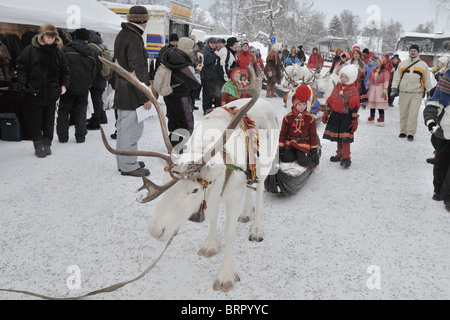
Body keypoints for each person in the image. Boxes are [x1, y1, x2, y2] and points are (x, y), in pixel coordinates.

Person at [16, 24, 70, 158]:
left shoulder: (58, 52)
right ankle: (38, 145)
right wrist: (22, 83)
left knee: (49, 121)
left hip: (52, 92)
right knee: (36, 122)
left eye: (52, 37)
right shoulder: (30, 50)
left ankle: (47, 144)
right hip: (35, 91)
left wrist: (64, 85)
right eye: (48, 37)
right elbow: (21, 67)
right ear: (42, 36)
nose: (50, 39)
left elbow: (65, 70)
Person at [113, 5, 152, 177]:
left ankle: (126, 160)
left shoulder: (124, 34)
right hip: (131, 93)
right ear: (143, 21)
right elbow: (138, 71)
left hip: (123, 91)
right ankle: (128, 165)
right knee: (131, 130)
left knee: (123, 129)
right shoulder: (134, 38)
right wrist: (145, 96)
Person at [161, 37, 202, 151]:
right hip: (181, 96)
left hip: (170, 94)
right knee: (186, 124)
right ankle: (175, 148)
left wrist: (196, 55)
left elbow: (185, 60)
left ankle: (174, 144)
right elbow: (196, 82)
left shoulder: (172, 56)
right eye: (192, 49)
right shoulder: (182, 65)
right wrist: (198, 70)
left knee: (174, 121)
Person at [57, 28, 96, 144]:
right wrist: (89, 82)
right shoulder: (91, 52)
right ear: (86, 39)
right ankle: (80, 137)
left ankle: (63, 137)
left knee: (64, 110)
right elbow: (94, 70)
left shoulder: (65, 49)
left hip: (67, 86)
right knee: (81, 111)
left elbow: (59, 67)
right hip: (83, 87)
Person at [391, 44, 433, 141]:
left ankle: (410, 133)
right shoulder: (402, 64)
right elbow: (396, 77)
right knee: (403, 113)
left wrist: (429, 91)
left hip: (417, 93)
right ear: (409, 52)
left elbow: (427, 80)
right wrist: (393, 88)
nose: (413, 52)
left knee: (413, 114)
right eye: (411, 51)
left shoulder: (423, 65)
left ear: (418, 52)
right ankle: (403, 131)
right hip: (403, 92)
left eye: (414, 51)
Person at [322, 64, 360, 168]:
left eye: (346, 77)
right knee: (338, 136)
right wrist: (326, 113)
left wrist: (354, 120)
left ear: (351, 78)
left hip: (346, 117)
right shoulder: (337, 87)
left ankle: (346, 157)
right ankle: (339, 154)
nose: (343, 79)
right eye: (342, 76)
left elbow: (354, 107)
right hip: (336, 115)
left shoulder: (353, 90)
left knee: (345, 137)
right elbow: (331, 102)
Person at [423, 68, 450, 210]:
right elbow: (432, 106)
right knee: (441, 163)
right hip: (444, 133)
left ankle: (448, 196)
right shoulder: (445, 84)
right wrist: (430, 122)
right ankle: (438, 190)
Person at [279, 85, 319, 168]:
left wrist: (314, 149)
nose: (302, 107)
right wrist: (280, 147)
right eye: (299, 104)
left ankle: (308, 159)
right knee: (285, 158)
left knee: (303, 162)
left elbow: (313, 134)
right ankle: (296, 154)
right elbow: (283, 133)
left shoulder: (310, 118)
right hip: (290, 142)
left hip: (303, 143)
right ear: (294, 105)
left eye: (304, 104)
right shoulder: (287, 118)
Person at [86, 30, 109, 129]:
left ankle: (96, 122)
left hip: (95, 78)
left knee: (96, 100)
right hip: (103, 77)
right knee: (99, 98)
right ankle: (102, 117)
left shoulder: (91, 48)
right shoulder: (103, 46)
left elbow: (92, 65)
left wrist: (90, 79)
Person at [366, 55, 390, 126]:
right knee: (372, 104)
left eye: (377, 61)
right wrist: (367, 85)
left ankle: (381, 120)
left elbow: (386, 81)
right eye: (376, 61)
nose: (376, 62)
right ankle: (371, 118)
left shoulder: (385, 72)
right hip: (373, 88)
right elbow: (370, 79)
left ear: (382, 62)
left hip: (380, 89)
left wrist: (385, 90)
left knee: (380, 105)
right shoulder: (373, 70)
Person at [201, 37, 222, 113]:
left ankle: (209, 109)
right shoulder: (205, 52)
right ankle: (206, 110)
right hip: (206, 76)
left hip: (213, 77)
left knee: (212, 94)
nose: (213, 45)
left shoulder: (213, 52)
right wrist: (215, 56)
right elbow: (205, 62)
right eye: (211, 43)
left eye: (214, 43)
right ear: (208, 44)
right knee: (207, 95)